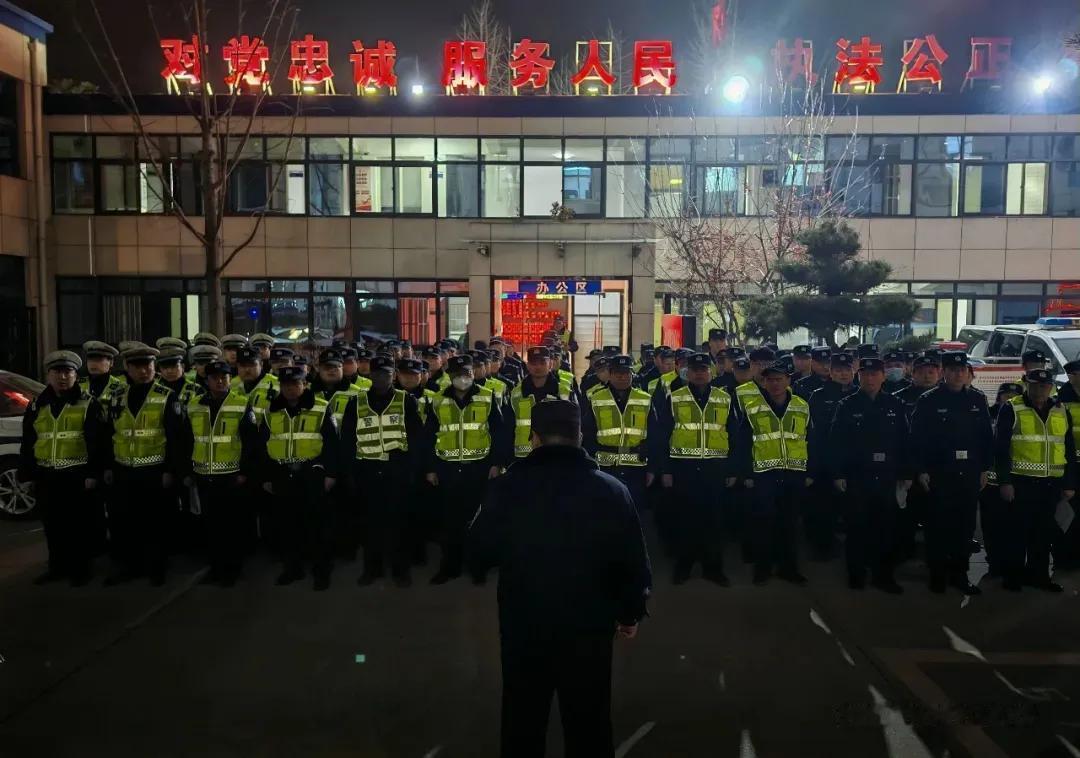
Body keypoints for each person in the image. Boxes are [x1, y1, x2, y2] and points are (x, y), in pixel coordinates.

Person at [467, 400, 652, 758]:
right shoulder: (611, 490)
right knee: (589, 719)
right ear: (580, 436)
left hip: (525, 623)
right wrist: (630, 613)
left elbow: (478, 554)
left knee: (523, 716)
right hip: (589, 625)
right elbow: (632, 561)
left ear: (533, 438)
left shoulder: (506, 489)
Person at [909, 352, 994, 595]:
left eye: (962, 370)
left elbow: (986, 438)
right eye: (953, 370)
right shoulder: (929, 400)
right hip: (940, 473)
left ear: (968, 372)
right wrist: (921, 470)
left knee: (965, 527)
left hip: (968, 473)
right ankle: (937, 575)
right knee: (937, 526)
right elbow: (917, 439)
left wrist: (984, 468)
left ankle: (960, 574)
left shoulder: (977, 400)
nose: (958, 374)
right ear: (943, 372)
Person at [20, 351, 108, 586]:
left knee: (80, 526)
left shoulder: (88, 402)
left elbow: (98, 442)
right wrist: (27, 474)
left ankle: (81, 569)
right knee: (53, 525)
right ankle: (57, 567)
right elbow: (29, 441)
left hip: (77, 475)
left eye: (68, 372)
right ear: (48, 375)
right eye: (57, 372)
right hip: (47, 475)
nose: (62, 377)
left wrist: (93, 474)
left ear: (75, 375)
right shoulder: (37, 404)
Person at [101, 343, 184, 586]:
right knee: (126, 523)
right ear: (127, 367)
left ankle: (157, 568)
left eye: (147, 365)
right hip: (124, 469)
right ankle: (130, 566)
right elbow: (110, 434)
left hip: (155, 470)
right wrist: (108, 467)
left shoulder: (166, 396)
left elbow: (176, 437)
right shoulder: (117, 397)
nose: (144, 370)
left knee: (156, 523)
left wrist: (170, 470)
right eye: (137, 366)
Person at [651, 352, 739, 585]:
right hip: (683, 468)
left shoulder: (725, 398)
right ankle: (684, 566)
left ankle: (714, 568)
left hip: (715, 468)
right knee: (685, 520)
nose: (700, 373)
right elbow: (663, 435)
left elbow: (734, 435)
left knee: (714, 521)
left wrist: (732, 470)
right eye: (695, 370)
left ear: (711, 372)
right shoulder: (675, 397)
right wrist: (666, 470)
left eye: (704, 369)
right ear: (687, 373)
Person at [341, 356, 425, 587]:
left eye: (386, 374)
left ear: (394, 375)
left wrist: (412, 470)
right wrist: (350, 472)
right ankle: (372, 569)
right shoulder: (356, 402)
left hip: (397, 472)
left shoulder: (406, 400)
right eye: (377, 374)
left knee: (400, 524)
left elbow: (417, 438)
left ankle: (401, 570)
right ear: (370, 376)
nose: (381, 378)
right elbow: (347, 439)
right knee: (370, 525)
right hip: (367, 471)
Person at [425, 354, 508, 584]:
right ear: (450, 376)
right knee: (450, 522)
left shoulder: (487, 397)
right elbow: (429, 436)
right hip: (447, 469)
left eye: (468, 374)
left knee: (479, 522)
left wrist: (497, 463)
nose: (464, 379)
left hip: (479, 469)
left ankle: (477, 567)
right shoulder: (438, 400)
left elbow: (500, 432)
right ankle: (449, 567)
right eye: (459, 375)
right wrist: (431, 468)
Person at [829, 357, 910, 593]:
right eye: (865, 374)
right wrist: (838, 473)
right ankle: (856, 574)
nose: (870, 378)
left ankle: (883, 575)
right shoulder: (847, 405)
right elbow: (836, 443)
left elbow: (905, 441)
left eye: (875, 374)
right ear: (859, 376)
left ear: (883, 376)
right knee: (857, 529)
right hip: (857, 478)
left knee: (885, 530)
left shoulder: (895, 405)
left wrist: (906, 472)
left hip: (886, 477)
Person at [255, 365, 339, 591]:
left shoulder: (321, 408)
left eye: (296, 384)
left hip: (312, 474)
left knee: (317, 526)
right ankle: (292, 568)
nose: (291, 389)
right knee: (287, 526)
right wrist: (266, 477)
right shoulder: (270, 410)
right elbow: (262, 447)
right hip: (282, 475)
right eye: (286, 385)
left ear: (305, 384)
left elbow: (332, 444)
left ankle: (322, 571)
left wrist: (330, 473)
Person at [993, 369, 1075, 592]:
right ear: (1027, 385)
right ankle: (1014, 577)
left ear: (1050, 387)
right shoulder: (1012, 408)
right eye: (1035, 385)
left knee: (1043, 534)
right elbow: (1000, 449)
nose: (1040, 389)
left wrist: (1069, 484)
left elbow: (1068, 448)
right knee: (1017, 534)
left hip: (1051, 485)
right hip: (1021, 483)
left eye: (1045, 385)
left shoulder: (1060, 410)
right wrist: (1005, 482)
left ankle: (1039, 576)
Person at [180, 359, 261, 587]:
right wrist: (187, 471)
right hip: (204, 476)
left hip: (232, 476)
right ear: (207, 381)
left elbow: (251, 442)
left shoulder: (241, 403)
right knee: (210, 526)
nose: (220, 381)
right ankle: (215, 568)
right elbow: (187, 441)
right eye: (215, 377)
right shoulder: (194, 405)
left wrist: (245, 472)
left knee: (232, 526)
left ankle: (232, 570)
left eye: (224, 377)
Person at [736, 360, 811, 586]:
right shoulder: (753, 407)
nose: (775, 384)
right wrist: (746, 474)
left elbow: (812, 440)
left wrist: (811, 471)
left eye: (779, 379)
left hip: (794, 473)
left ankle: (789, 568)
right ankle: (763, 569)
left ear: (788, 380)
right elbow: (742, 443)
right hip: (764, 475)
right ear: (764, 382)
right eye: (770, 380)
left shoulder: (802, 405)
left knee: (789, 524)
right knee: (764, 524)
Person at [582, 355, 654, 511]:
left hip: (636, 468)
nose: (623, 377)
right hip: (605, 467)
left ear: (632, 375)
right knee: (606, 513)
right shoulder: (596, 399)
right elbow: (587, 435)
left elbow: (655, 436)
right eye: (618, 373)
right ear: (610, 374)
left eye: (626, 373)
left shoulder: (645, 399)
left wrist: (652, 468)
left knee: (635, 513)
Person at [805, 352, 858, 559]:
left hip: (852, 463)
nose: (844, 374)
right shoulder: (818, 396)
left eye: (847, 370)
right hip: (824, 461)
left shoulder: (858, 394)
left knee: (852, 510)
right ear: (831, 372)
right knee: (824, 509)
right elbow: (812, 433)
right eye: (838, 370)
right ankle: (823, 548)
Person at [508, 346, 576, 460]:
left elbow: (574, 425)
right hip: (524, 457)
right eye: (534, 363)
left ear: (550, 364)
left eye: (542, 362)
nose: (538, 366)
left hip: (556, 454)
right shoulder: (517, 392)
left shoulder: (563, 390)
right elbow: (508, 427)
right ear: (527, 365)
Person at [230, 346, 278, 413]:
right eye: (243, 365)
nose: (247, 369)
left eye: (252, 365)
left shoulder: (276, 383)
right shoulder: (232, 384)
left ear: (261, 364)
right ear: (237, 366)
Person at [80, 340, 125, 405]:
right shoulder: (77, 385)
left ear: (111, 362)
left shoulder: (121, 387)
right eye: (90, 359)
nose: (93, 364)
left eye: (98, 359)